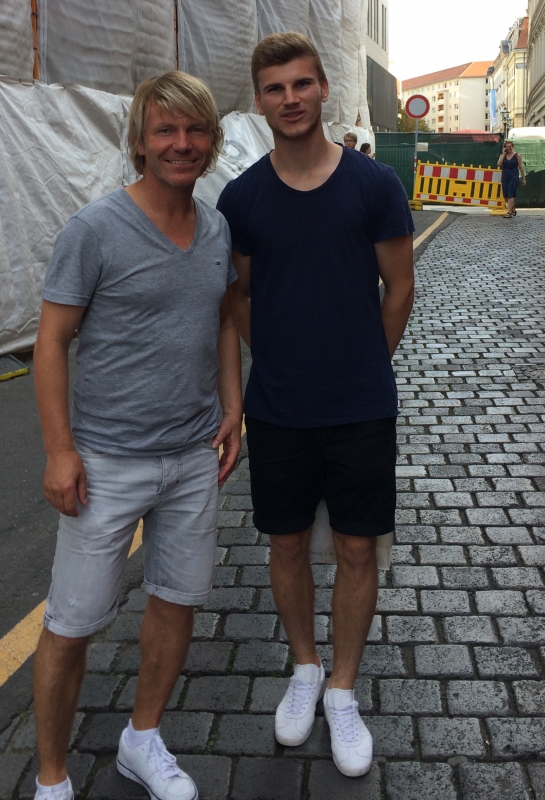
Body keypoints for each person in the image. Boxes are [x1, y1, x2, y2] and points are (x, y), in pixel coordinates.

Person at [32, 71, 241, 800]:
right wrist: (60, 450)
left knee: (176, 602)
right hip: (105, 463)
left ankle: (141, 739)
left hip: (193, 457)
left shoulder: (216, 228)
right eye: (165, 130)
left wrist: (234, 407)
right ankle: (51, 778)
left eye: (195, 129)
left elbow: (222, 320)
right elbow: (51, 341)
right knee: (71, 624)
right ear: (141, 143)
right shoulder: (94, 229)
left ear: (212, 140)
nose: (182, 143)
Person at [217, 32, 414, 778]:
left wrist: (363, 362)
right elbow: (240, 297)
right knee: (288, 544)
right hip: (279, 408)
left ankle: (342, 688)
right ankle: (305, 666)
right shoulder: (242, 198)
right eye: (275, 88)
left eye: (302, 84)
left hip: (361, 405)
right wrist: (277, 358)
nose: (290, 98)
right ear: (260, 100)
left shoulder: (373, 185)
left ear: (325, 88)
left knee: (358, 549)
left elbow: (400, 287)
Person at [498, 140, 526, 217]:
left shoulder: (517, 155)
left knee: (511, 194)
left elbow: (521, 167)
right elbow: (499, 164)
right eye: (507, 147)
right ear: (505, 148)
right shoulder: (502, 156)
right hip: (505, 176)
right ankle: (512, 207)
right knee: (505, 196)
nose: (508, 148)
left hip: (513, 176)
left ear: (512, 147)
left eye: (510, 147)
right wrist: (504, 154)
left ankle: (509, 212)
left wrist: (523, 178)